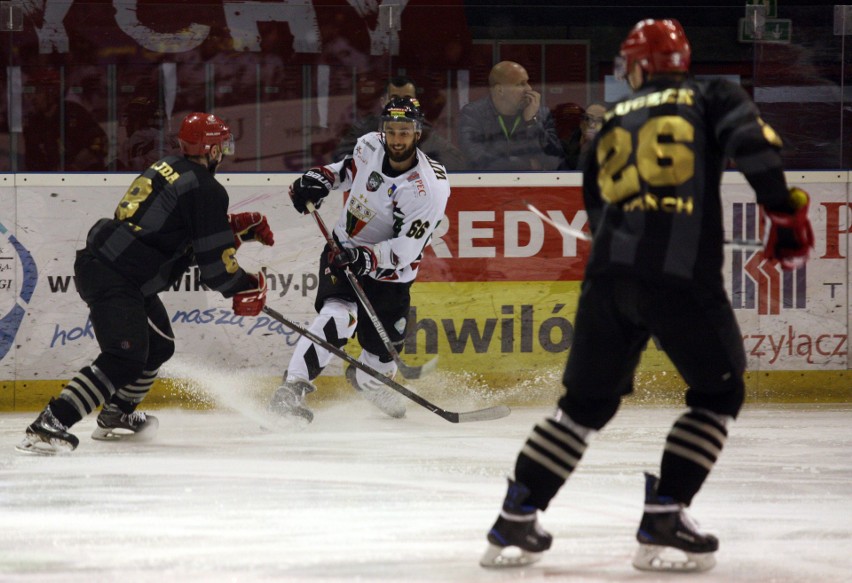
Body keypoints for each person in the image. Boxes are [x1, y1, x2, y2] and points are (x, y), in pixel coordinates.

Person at [480, 19, 814, 573]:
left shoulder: (612, 119)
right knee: (719, 393)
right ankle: (666, 510)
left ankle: (518, 513)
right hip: (679, 277)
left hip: (609, 278)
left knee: (582, 408)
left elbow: (592, 201)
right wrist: (782, 211)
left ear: (637, 67)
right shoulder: (713, 93)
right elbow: (753, 145)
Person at [17, 112, 274, 455]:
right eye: (221, 146)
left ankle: (116, 415)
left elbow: (171, 226)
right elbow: (215, 269)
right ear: (211, 149)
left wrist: (228, 228)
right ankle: (51, 421)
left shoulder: (169, 166)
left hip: (117, 267)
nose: (224, 152)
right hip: (117, 275)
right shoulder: (206, 187)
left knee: (159, 346)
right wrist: (244, 284)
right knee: (124, 357)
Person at [268, 96, 450, 423]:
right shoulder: (369, 145)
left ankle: (368, 380)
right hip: (342, 249)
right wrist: (320, 179)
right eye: (391, 131)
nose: (396, 139)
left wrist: (365, 258)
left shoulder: (428, 188)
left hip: (390, 276)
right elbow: (349, 170)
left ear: (418, 133)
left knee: (383, 354)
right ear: (383, 130)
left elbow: (407, 249)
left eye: (404, 132)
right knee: (338, 316)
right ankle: (292, 388)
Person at [332, 75, 467, 171]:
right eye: (394, 98)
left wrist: (417, 163)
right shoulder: (364, 128)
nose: (401, 104)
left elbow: (457, 162)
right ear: (382, 102)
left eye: (407, 99)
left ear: (416, 102)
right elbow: (340, 158)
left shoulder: (424, 132)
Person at [457, 61, 564, 171]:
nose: (529, 89)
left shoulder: (541, 113)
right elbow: (477, 160)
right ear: (500, 90)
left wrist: (532, 123)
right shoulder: (473, 114)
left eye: (527, 82)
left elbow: (555, 161)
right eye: (521, 84)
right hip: (489, 185)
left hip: (531, 185)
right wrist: (526, 165)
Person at [115, 96, 180, 171]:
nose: (126, 124)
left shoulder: (145, 137)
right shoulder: (130, 141)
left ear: (139, 119)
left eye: (130, 118)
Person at [562, 102, 606, 170]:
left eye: (599, 120)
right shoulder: (565, 146)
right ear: (581, 122)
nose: (592, 125)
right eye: (588, 119)